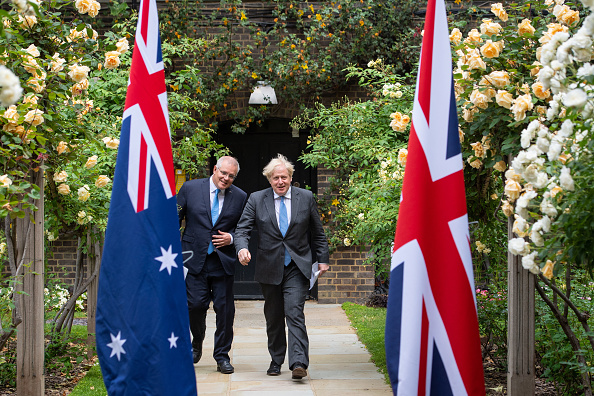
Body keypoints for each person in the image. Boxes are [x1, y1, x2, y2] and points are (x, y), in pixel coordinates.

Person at [235, 154, 329, 380]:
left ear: (290, 177)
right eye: (275, 178)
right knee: (274, 315)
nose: (280, 181)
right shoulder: (257, 199)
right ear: (269, 179)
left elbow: (318, 232)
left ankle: (298, 362)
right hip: (269, 267)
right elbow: (242, 229)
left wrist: (323, 258)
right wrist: (241, 248)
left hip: (297, 265)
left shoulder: (305, 198)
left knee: (294, 311)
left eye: (284, 177)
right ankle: (276, 359)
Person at [177, 156, 247, 374]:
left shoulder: (241, 197)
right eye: (223, 173)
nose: (226, 178)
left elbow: (245, 228)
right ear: (215, 169)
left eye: (231, 176)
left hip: (222, 261)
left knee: (225, 311)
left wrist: (232, 238)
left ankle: (222, 356)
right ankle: (197, 341)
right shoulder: (190, 188)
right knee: (195, 305)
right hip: (194, 259)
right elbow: (173, 218)